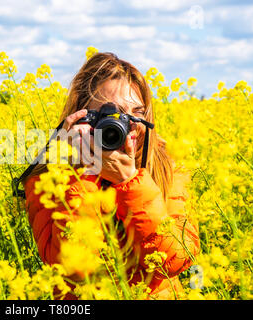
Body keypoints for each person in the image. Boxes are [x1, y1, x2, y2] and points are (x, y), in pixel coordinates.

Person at [22, 52, 200, 300]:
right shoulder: (49, 177)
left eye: (135, 112)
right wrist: (84, 172)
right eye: (111, 114)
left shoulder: (165, 169)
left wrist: (130, 183)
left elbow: (175, 260)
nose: (124, 125)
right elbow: (69, 266)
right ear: (81, 116)